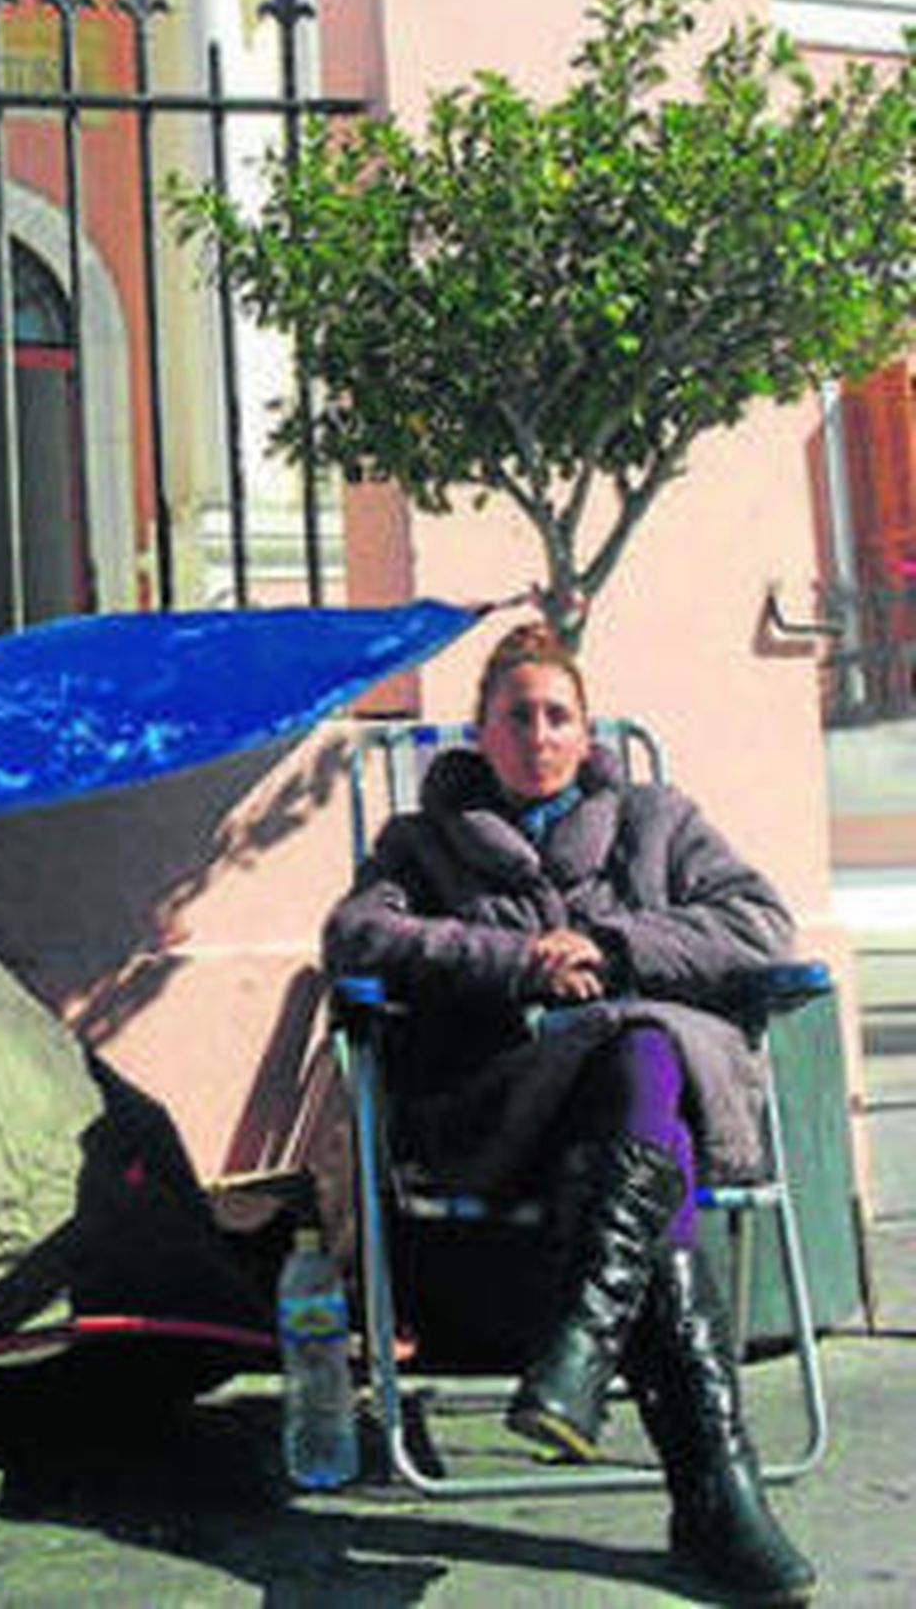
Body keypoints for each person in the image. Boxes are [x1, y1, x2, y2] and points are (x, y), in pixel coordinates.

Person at [324, 619, 815, 1606]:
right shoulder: (422, 843)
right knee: (640, 1065)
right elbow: (356, 936)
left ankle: (601, 1377)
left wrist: (610, 945)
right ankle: (704, 1479)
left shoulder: (659, 821)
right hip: (504, 1103)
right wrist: (519, 961)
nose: (538, 734)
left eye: (557, 716)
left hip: (634, 1111)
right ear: (481, 733)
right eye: (517, 716)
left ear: (587, 734)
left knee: (638, 1050)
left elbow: (761, 924)